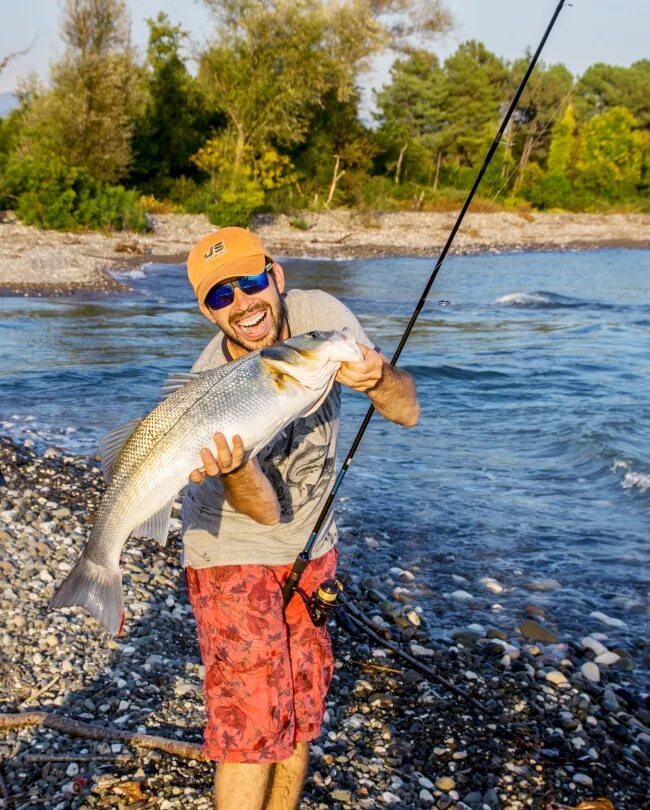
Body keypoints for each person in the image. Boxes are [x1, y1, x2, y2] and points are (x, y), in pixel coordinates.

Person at [182, 226, 419, 810]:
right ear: (208, 312)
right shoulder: (208, 383)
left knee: (299, 706)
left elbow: (407, 410)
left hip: (314, 546)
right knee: (249, 726)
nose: (243, 304)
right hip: (231, 549)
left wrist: (379, 379)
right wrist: (234, 468)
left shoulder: (322, 318)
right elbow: (261, 513)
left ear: (276, 275)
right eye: (221, 296)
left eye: (251, 281)